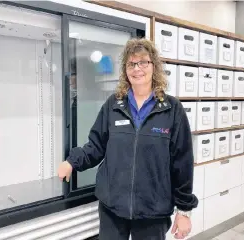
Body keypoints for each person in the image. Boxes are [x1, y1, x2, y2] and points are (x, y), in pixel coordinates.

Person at [58, 38, 198, 240]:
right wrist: (72, 161)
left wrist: (184, 210)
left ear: (154, 67)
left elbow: (182, 163)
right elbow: (96, 145)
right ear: (125, 69)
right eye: (131, 64)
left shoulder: (172, 109)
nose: (137, 68)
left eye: (143, 62)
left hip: (153, 210)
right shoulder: (113, 105)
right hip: (112, 206)